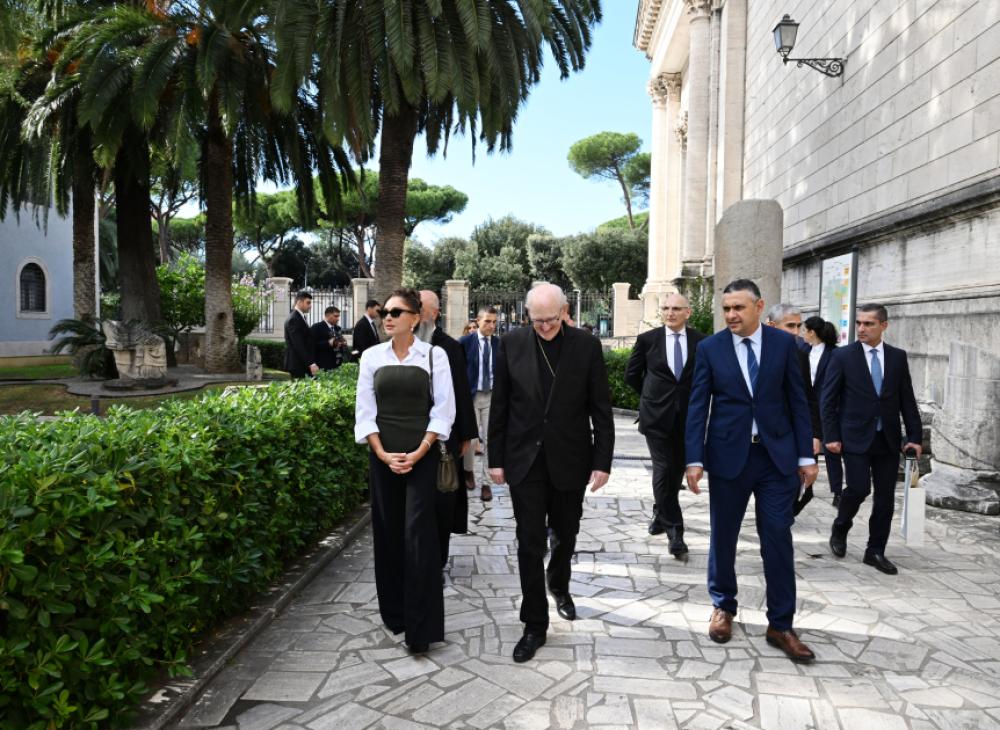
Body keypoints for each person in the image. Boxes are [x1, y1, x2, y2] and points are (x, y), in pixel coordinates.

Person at [684, 279, 818, 663]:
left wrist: (806, 457)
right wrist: (694, 459)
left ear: (759, 307)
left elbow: (798, 402)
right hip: (729, 457)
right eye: (726, 308)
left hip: (776, 459)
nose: (731, 315)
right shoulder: (710, 349)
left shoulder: (784, 346)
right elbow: (698, 406)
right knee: (723, 536)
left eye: (738, 308)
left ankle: (781, 624)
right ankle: (723, 606)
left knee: (777, 537)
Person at [488, 283, 614, 663]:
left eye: (551, 320)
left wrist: (602, 461)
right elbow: (500, 405)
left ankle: (559, 584)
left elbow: (601, 408)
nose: (544, 326)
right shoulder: (511, 343)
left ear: (564, 312)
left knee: (566, 532)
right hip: (524, 460)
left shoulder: (586, 346)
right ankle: (534, 624)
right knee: (528, 541)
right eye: (537, 320)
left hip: (571, 458)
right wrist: (495, 459)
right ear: (528, 315)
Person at [354, 288, 456, 654]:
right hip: (383, 460)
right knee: (388, 534)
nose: (388, 317)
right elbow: (364, 412)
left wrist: (419, 451)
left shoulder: (434, 355)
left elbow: (443, 411)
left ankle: (420, 629)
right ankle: (394, 613)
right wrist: (383, 454)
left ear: (415, 318)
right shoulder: (371, 356)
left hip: (422, 460)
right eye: (385, 311)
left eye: (396, 312)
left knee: (419, 538)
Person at [823, 304, 922, 576]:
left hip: (887, 439)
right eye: (859, 323)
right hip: (853, 437)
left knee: (885, 499)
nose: (861, 328)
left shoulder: (898, 357)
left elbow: (907, 399)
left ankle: (875, 550)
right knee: (858, 488)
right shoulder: (842, 356)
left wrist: (914, 436)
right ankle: (841, 526)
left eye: (868, 324)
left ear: (884, 326)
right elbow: (828, 400)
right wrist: (831, 435)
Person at [625, 293, 706, 556]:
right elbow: (632, 375)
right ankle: (675, 531)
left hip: (688, 418)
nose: (670, 313)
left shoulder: (702, 342)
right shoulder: (648, 340)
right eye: (666, 308)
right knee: (663, 468)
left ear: (688, 312)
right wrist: (652, 397)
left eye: (676, 308)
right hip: (656, 417)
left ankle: (660, 514)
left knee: (676, 470)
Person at [416, 291, 478, 569]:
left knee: (442, 499)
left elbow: (461, 392)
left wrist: (466, 435)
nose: (418, 313)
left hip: (444, 437)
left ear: (435, 313)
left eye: (422, 308)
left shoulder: (450, 347)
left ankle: (438, 560)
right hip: (410, 435)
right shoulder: (402, 344)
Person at [766, 304, 822, 459]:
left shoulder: (801, 355)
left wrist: (815, 434)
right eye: (790, 326)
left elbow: (808, 397)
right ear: (772, 326)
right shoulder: (755, 354)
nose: (796, 332)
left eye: (799, 326)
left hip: (793, 436)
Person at [459, 306, 500, 502]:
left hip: (491, 396)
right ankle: (468, 471)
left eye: (494, 322)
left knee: (490, 440)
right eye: (487, 321)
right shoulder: (465, 342)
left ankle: (486, 483)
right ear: (478, 321)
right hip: (471, 397)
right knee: (472, 439)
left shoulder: (499, 344)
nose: (491, 326)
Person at [803, 316, 844, 506]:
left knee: (830, 449)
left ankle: (837, 491)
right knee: (808, 447)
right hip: (807, 407)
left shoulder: (834, 354)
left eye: (805, 330)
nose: (803, 334)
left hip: (828, 408)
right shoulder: (803, 351)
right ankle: (807, 488)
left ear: (812, 332)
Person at [283, 291, 318, 379]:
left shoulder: (299, 316)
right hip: (297, 365)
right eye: (308, 303)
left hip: (301, 364)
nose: (310, 306)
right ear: (299, 302)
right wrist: (311, 363)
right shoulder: (294, 319)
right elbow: (299, 345)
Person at [311, 306, 347, 371]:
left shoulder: (338, 328)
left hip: (337, 364)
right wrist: (328, 343)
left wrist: (342, 343)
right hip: (323, 365)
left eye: (338, 316)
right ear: (327, 315)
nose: (338, 319)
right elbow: (312, 345)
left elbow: (339, 343)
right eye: (335, 316)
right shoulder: (317, 327)